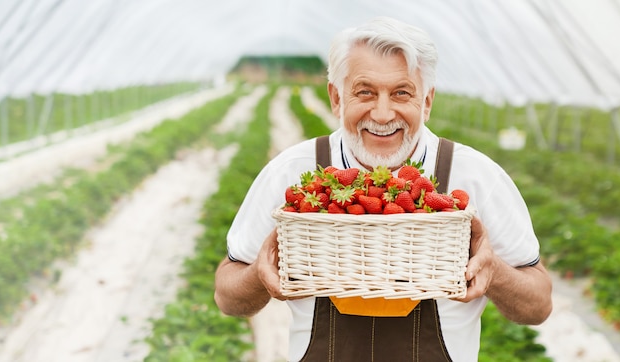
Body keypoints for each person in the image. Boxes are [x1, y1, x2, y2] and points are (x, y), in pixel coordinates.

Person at [214, 16, 552, 362]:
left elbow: (538, 304)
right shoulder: (292, 171)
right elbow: (228, 296)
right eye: (365, 92)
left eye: (402, 93)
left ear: (428, 101)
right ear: (335, 97)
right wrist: (259, 273)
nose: (382, 113)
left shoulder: (476, 177)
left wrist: (492, 269)